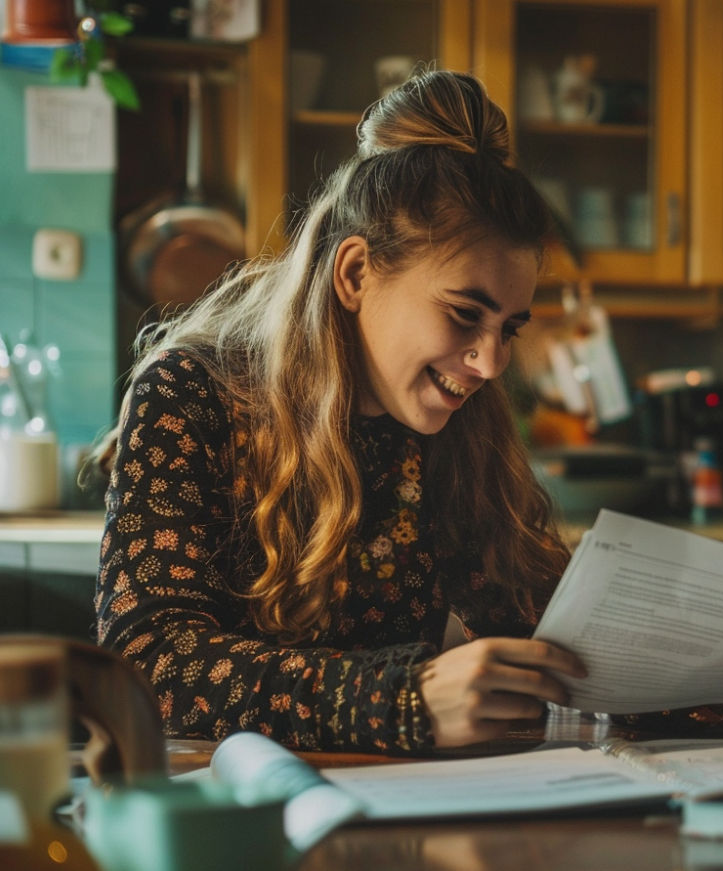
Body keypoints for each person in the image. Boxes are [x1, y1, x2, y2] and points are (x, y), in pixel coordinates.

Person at [94, 69, 587, 753]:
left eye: (508, 328)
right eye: (464, 314)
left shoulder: (457, 429)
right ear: (354, 273)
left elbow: (526, 626)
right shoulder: (190, 394)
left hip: (404, 810)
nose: (490, 362)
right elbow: (151, 659)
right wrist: (403, 701)